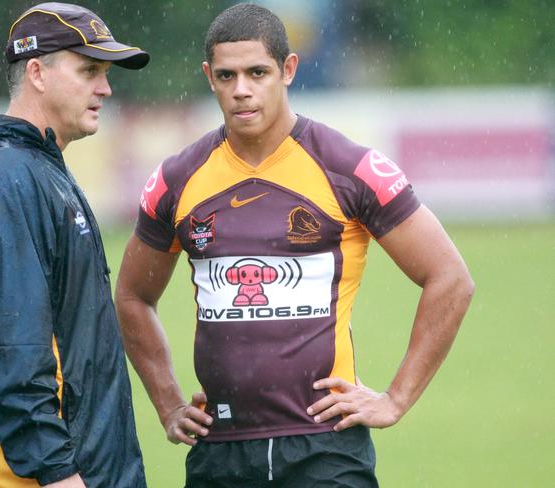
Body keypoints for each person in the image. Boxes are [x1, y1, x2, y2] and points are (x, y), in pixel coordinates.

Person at [116, 3, 474, 487]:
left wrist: (395, 398)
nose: (241, 89)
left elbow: (450, 279)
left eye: (257, 72)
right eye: (226, 75)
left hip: (324, 449)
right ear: (208, 76)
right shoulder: (177, 179)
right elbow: (133, 296)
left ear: (288, 69)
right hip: (219, 450)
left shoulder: (348, 168)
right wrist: (168, 403)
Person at [0, 3, 149, 487]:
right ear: (37, 72)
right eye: (90, 70)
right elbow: (12, 347)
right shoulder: (5, 179)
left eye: (107, 73)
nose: (106, 88)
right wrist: (58, 473)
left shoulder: (37, 169)